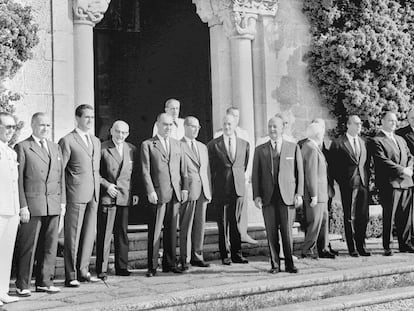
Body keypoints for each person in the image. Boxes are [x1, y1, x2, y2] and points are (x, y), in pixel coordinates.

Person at [14, 113, 65, 297]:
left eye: (48, 125)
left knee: (50, 245)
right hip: (33, 205)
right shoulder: (23, 147)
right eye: (41, 125)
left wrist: (62, 202)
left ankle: (45, 281)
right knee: (29, 246)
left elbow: (61, 178)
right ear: (32, 125)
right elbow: (18, 180)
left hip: (52, 203)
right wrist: (22, 206)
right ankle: (23, 284)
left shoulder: (55, 147)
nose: (45, 128)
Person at [252, 115, 303, 274]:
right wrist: (256, 195)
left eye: (275, 126)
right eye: (270, 127)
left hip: (287, 196)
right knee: (271, 232)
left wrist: (299, 193)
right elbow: (256, 175)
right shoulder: (260, 150)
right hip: (268, 197)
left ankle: (289, 264)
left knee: (287, 232)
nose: (272, 130)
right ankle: (275, 264)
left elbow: (299, 172)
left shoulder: (293, 147)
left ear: (282, 128)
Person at [59, 104, 101, 287]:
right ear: (77, 118)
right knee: (73, 235)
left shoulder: (96, 141)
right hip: (75, 193)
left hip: (93, 193)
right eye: (86, 117)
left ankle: (84, 270)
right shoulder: (68, 140)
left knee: (89, 234)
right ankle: (71, 274)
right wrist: (62, 198)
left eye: (92, 117)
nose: (90, 120)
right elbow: (60, 171)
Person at [142, 113, 189, 277]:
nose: (168, 128)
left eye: (170, 125)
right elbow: (145, 171)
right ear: (158, 124)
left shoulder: (178, 144)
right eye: (165, 124)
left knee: (171, 231)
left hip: (175, 193)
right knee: (155, 230)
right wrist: (150, 190)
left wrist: (185, 188)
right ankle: (152, 266)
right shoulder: (148, 144)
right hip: (158, 193)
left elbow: (184, 169)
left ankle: (170, 264)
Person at [96, 120, 139, 280]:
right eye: (117, 131)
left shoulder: (131, 149)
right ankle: (102, 268)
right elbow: (95, 173)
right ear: (111, 131)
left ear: (127, 134)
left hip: (124, 196)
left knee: (122, 233)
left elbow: (134, 175)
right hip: (108, 196)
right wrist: (107, 186)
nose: (120, 135)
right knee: (105, 234)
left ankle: (122, 266)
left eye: (124, 132)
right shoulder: (102, 148)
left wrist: (134, 193)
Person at [208, 114, 249, 265]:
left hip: (237, 188)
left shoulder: (244, 144)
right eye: (224, 124)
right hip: (221, 188)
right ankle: (225, 254)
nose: (227, 127)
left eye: (230, 124)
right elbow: (211, 169)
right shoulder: (213, 145)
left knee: (236, 222)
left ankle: (237, 254)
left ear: (235, 124)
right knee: (223, 223)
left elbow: (242, 164)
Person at [371, 111, 414, 256]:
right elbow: (382, 161)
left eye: (395, 121)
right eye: (390, 120)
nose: (394, 123)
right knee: (389, 215)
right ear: (382, 121)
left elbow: (409, 155)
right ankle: (387, 246)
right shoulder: (376, 140)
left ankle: (405, 244)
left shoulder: (400, 139)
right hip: (390, 184)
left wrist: (409, 167)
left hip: (406, 182)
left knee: (406, 216)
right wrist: (402, 170)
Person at [214, 107, 257, 245]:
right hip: (224, 181)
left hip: (240, 179)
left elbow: (248, 158)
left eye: (237, 116)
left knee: (239, 213)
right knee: (225, 216)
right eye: (232, 116)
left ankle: (241, 239)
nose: (235, 118)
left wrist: (246, 175)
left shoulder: (244, 134)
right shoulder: (218, 136)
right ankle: (226, 247)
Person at [330, 115, 371, 257]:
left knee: (363, 216)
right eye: (356, 123)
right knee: (350, 216)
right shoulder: (338, 143)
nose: (359, 126)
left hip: (363, 184)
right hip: (347, 185)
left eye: (360, 123)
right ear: (348, 125)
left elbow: (366, 163)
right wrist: (341, 182)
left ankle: (362, 246)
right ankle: (352, 247)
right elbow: (333, 166)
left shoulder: (364, 142)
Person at [179, 116, 212, 270]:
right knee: (186, 225)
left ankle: (197, 256)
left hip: (203, 191)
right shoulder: (179, 145)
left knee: (200, 225)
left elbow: (206, 171)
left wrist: (209, 190)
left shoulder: (202, 147)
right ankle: (184, 258)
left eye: (198, 127)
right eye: (193, 126)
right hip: (189, 189)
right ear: (185, 126)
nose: (196, 130)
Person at [300, 122, 334, 259]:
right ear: (318, 134)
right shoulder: (310, 148)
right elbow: (310, 173)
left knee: (322, 221)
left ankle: (323, 249)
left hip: (322, 193)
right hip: (316, 193)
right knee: (314, 222)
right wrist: (313, 194)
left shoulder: (312, 147)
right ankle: (307, 250)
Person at [0, 112, 20, 305]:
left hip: (11, 208)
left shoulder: (11, 151)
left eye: (13, 127)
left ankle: (3, 290)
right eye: (7, 127)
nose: (11, 131)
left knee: (6, 251)